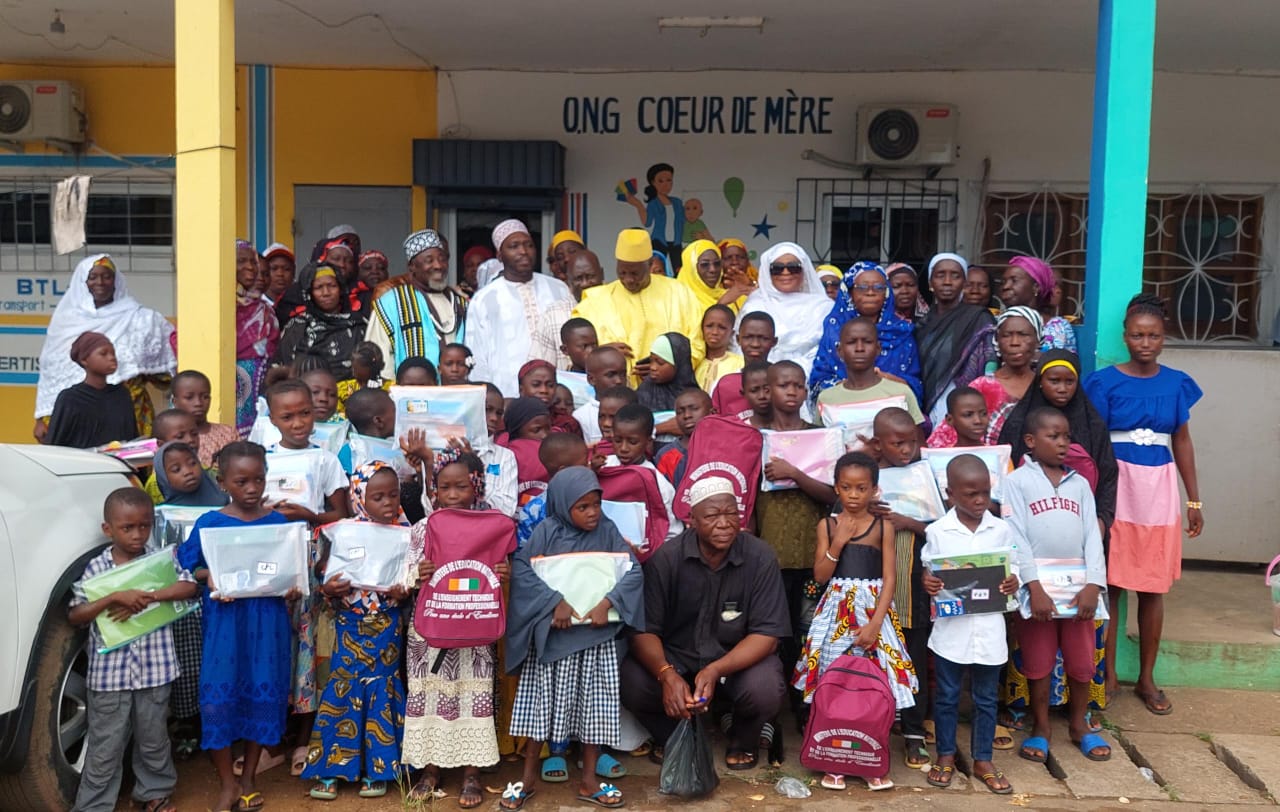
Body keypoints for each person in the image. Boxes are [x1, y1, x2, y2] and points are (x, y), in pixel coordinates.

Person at [1084, 294, 1202, 716]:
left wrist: (1194, 498)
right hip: (1118, 485)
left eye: (1153, 335)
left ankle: (1147, 677)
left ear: (1164, 337)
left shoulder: (1176, 383)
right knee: (1113, 584)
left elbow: (1183, 441)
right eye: (1137, 335)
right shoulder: (1103, 383)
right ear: (1125, 337)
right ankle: (1108, 673)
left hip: (1158, 488)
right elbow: (1093, 442)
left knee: (1152, 586)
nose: (1145, 343)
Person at [619, 476, 790, 767]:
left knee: (766, 686)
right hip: (679, 660)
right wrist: (666, 674)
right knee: (632, 680)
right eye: (712, 515)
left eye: (731, 513)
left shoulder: (760, 557)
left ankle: (744, 738)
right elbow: (644, 631)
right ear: (692, 521)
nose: (724, 523)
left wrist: (715, 669)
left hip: (734, 663)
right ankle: (673, 736)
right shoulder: (667, 559)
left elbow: (767, 634)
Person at [504, 467, 645, 810]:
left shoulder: (608, 532)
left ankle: (589, 781)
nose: (593, 512)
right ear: (563, 504)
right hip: (553, 642)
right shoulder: (546, 532)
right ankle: (527, 779)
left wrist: (608, 603)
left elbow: (633, 570)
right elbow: (523, 570)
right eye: (582, 507)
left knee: (594, 711)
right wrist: (556, 603)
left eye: (596, 504)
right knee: (541, 711)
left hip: (596, 641)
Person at [178, 442, 302, 812]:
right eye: (241, 481)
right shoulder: (210, 524)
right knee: (218, 698)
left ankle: (248, 777)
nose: (252, 488)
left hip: (267, 623)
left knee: (261, 698)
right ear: (222, 482)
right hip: (226, 625)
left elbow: (289, 572)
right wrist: (210, 577)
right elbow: (189, 568)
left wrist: (293, 587)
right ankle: (227, 783)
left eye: (259, 480)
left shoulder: (278, 523)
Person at [794, 452, 916, 792]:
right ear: (836, 488)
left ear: (874, 490)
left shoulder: (883, 527)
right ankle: (833, 760)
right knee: (833, 683)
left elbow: (890, 578)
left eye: (861, 488)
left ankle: (871, 760)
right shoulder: (827, 525)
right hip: (835, 615)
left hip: (872, 614)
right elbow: (820, 575)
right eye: (846, 487)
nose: (853, 495)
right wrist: (838, 540)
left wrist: (877, 623)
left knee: (876, 687)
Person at [68, 488, 195, 812]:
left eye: (144, 525)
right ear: (107, 529)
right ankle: (94, 806)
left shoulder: (159, 562)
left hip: (156, 671)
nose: (138, 534)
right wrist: (113, 598)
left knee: (153, 739)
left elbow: (190, 587)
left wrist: (150, 596)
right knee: (105, 746)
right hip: (110, 678)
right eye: (127, 528)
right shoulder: (97, 568)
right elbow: (76, 614)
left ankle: (154, 793)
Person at [403, 450, 512, 808]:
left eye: (461, 486)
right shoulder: (423, 527)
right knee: (429, 695)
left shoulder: (491, 526)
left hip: (475, 626)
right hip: (429, 632)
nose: (452, 494)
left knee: (472, 696)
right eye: (444, 487)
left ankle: (471, 774)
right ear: (433, 491)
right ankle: (430, 771)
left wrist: (502, 575)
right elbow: (403, 574)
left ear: (476, 487)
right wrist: (415, 575)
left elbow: (498, 570)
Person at [1006, 408, 1110, 764]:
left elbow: (1092, 538)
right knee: (1038, 660)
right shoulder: (1017, 483)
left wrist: (1095, 583)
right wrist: (1033, 586)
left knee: (1082, 662)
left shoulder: (1079, 484)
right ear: (1032, 442)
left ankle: (1079, 724)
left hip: (1080, 588)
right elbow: (1015, 536)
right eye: (1054, 436)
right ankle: (1041, 728)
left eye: (1067, 436)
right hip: (1039, 592)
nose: (1063, 443)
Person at [304, 462, 411, 801]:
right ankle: (331, 769)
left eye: (393, 495)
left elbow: (412, 580)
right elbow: (324, 579)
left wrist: (404, 589)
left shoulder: (407, 531)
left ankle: (377, 769)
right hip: (349, 625)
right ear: (359, 497)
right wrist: (329, 588)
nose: (388, 503)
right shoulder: (344, 531)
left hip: (387, 626)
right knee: (343, 690)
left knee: (382, 689)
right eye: (377, 496)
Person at [920, 454, 1019, 794]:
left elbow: (1013, 566)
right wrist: (928, 583)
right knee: (946, 697)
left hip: (990, 632)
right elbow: (930, 572)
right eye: (970, 494)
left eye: (985, 493)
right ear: (950, 494)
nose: (980, 501)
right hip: (951, 634)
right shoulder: (937, 532)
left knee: (986, 698)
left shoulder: (1002, 529)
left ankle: (983, 760)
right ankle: (946, 755)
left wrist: (1012, 582)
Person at [756, 361, 837, 735]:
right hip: (767, 554)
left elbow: (832, 494)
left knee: (809, 632)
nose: (791, 391)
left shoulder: (820, 436)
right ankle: (770, 711)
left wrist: (795, 473)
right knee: (773, 633)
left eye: (798, 385)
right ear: (767, 391)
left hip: (811, 555)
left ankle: (805, 709)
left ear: (806, 392)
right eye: (783, 385)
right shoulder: (754, 437)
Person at [34, 254, 176, 442]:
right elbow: (51, 373)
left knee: (132, 466)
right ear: (82, 282)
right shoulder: (66, 320)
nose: (100, 282)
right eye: (92, 277)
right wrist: (41, 417)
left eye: (107, 276)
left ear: (116, 280)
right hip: (78, 416)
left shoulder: (142, 318)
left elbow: (169, 371)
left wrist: (139, 371)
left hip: (129, 411)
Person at [869, 407, 934, 767]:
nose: (907, 450)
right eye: (897, 443)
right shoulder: (868, 479)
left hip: (913, 586)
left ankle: (913, 734)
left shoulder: (928, 477)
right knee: (876, 659)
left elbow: (942, 528)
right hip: (873, 586)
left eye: (912, 442)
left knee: (914, 660)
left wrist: (910, 521)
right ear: (879, 445)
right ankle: (873, 726)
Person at [574, 228, 706, 384]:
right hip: (615, 395)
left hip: (670, 393)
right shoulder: (594, 302)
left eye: (635, 273)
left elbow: (697, 344)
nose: (628, 280)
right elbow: (577, 348)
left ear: (650, 264)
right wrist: (603, 354)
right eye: (622, 273)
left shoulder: (680, 293)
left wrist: (667, 366)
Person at [467, 220, 574, 395]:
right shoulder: (484, 299)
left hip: (558, 391)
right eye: (514, 246)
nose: (523, 251)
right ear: (500, 255)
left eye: (528, 245)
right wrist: (488, 398)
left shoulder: (559, 289)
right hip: (507, 393)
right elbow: (477, 355)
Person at [926, 305, 1043, 448]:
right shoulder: (983, 387)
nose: (1014, 342)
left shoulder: (1045, 386)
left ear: (1037, 340)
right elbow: (942, 441)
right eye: (1006, 335)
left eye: (1023, 335)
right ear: (997, 342)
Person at [811, 262, 923, 403]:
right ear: (849, 293)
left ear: (887, 293)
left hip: (892, 410)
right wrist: (850, 387)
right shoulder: (834, 328)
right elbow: (818, 382)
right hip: (843, 408)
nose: (870, 292)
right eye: (862, 287)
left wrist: (886, 380)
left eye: (878, 287)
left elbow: (916, 385)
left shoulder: (901, 331)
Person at [364, 229, 467, 380]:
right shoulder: (391, 303)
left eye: (442, 259)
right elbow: (379, 359)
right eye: (429, 260)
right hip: (409, 399)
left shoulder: (460, 303)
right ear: (412, 266)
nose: (438, 265)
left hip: (457, 397)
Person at [916, 253, 996, 427]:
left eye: (955, 276)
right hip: (929, 401)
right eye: (940, 275)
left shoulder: (978, 318)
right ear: (930, 283)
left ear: (964, 283)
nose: (947, 281)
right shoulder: (921, 325)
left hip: (968, 402)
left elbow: (990, 359)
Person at [736, 242, 831, 376]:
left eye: (793, 268)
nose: (785, 273)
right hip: (758, 378)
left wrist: (795, 372)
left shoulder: (823, 307)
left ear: (804, 270)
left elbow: (827, 348)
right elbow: (740, 348)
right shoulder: (755, 304)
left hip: (810, 376)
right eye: (777, 268)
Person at [815, 318, 926, 430]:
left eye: (867, 342)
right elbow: (819, 443)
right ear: (840, 351)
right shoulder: (826, 398)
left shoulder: (901, 393)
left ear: (878, 348)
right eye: (851, 342)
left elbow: (916, 443)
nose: (859, 348)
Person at [273, 261, 368, 380]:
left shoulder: (359, 324)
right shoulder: (297, 327)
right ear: (308, 293)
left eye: (332, 286)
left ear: (341, 289)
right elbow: (285, 370)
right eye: (318, 288)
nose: (326, 293)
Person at [45, 331, 139, 448]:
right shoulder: (70, 399)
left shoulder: (121, 395)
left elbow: (132, 439)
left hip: (117, 465)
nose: (111, 358)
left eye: (113, 353)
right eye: (103, 354)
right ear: (84, 360)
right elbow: (54, 444)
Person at [233, 240, 282, 436]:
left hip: (255, 396)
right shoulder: (215, 304)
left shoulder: (264, 310)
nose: (250, 267)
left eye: (252, 262)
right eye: (241, 261)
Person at [534, 252, 605, 370]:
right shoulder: (553, 315)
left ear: (601, 274)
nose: (585, 284)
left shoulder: (619, 306)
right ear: (568, 280)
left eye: (590, 276)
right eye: (578, 278)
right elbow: (540, 368)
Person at [999, 255, 1077, 353]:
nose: (1005, 286)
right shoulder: (996, 324)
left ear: (1036, 287)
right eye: (1003, 281)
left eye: (1014, 281)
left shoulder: (1058, 328)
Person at [712, 312, 777, 417]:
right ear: (738, 339)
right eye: (748, 337)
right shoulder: (724, 384)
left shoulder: (783, 380)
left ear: (774, 341)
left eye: (763, 338)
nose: (755, 344)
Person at [170, 370, 241, 467]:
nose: (198, 403)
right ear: (175, 402)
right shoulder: (169, 437)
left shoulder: (228, 434)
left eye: (205, 397)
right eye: (189, 397)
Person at [637, 332, 698, 439]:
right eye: (651, 361)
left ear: (678, 363)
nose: (653, 367)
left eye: (660, 362)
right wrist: (662, 428)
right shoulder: (644, 391)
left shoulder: (694, 397)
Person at [622, 162, 683, 266]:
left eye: (669, 180)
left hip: (676, 242)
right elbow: (647, 222)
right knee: (656, 268)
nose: (666, 185)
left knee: (678, 270)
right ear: (653, 183)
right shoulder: (653, 203)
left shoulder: (677, 202)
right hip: (659, 241)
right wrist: (638, 205)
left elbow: (684, 220)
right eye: (660, 181)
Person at [655, 387, 713, 488]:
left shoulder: (726, 447)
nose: (686, 416)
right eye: (680, 412)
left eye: (694, 409)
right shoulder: (666, 455)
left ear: (712, 412)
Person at [677, 239, 752, 313]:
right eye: (705, 264)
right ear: (691, 269)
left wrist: (749, 287)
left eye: (717, 264)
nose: (713, 269)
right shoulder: (678, 301)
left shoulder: (733, 296)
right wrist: (721, 304)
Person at [574, 347, 629, 444]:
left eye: (623, 374)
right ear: (591, 379)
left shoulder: (635, 408)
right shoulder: (581, 417)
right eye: (611, 375)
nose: (619, 380)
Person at [518, 359, 583, 437]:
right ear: (521, 390)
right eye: (536, 385)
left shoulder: (567, 423)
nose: (544, 390)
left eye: (550, 385)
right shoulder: (511, 419)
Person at [152, 441, 227, 507]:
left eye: (192, 463)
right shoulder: (162, 516)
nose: (188, 472)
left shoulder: (227, 503)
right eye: (176, 469)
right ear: (163, 478)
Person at [696, 304, 744, 394]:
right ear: (701, 328)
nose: (714, 332)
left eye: (722, 328)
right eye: (709, 326)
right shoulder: (694, 362)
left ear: (732, 333)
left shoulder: (740, 365)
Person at [336, 342, 389, 416]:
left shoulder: (392, 391)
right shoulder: (341, 390)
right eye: (359, 381)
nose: (363, 386)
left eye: (368, 380)